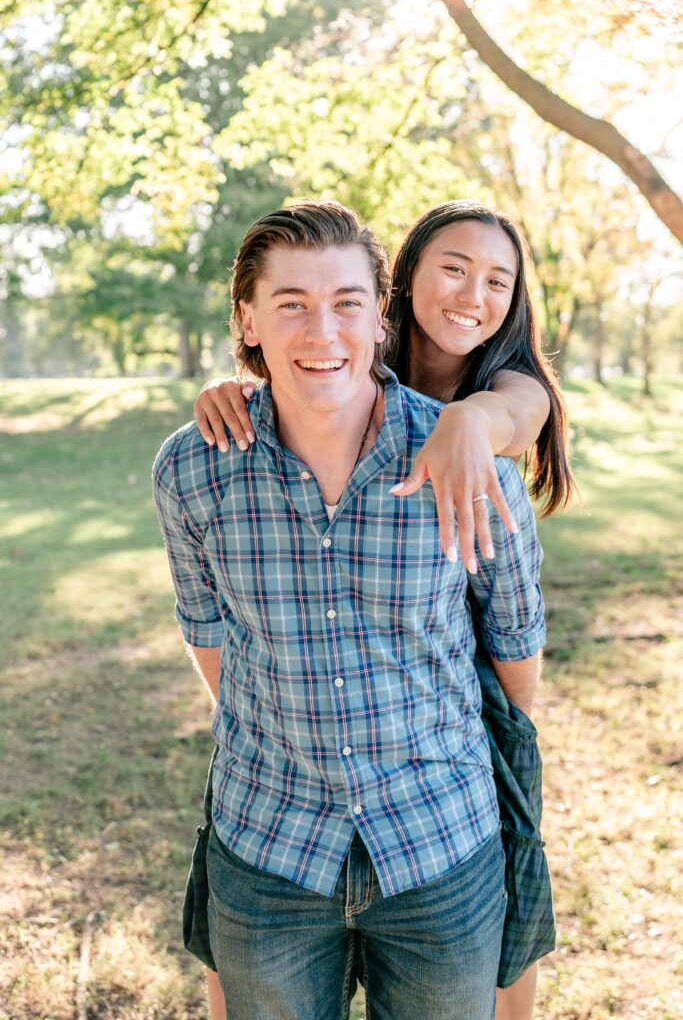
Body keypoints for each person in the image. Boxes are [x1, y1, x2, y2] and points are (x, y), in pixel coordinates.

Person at [153, 199, 550, 1020]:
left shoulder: (476, 454)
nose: (321, 330)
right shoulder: (195, 470)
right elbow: (212, 645)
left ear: (378, 317)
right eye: (289, 304)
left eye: (344, 305)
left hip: (439, 844)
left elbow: (516, 663)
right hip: (269, 846)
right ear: (247, 321)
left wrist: (443, 750)